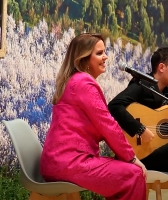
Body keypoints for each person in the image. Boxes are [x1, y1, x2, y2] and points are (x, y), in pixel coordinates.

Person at [40, 33, 146, 200]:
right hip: (69, 163)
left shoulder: (73, 81)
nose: (105, 57)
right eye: (99, 53)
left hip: (57, 163)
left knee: (124, 171)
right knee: (134, 173)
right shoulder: (84, 83)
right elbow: (107, 125)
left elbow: (100, 127)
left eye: (104, 51)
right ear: (83, 58)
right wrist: (131, 158)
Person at [108, 47, 168, 200]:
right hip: (142, 156)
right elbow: (114, 106)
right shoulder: (141, 86)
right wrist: (140, 129)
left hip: (166, 156)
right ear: (162, 67)